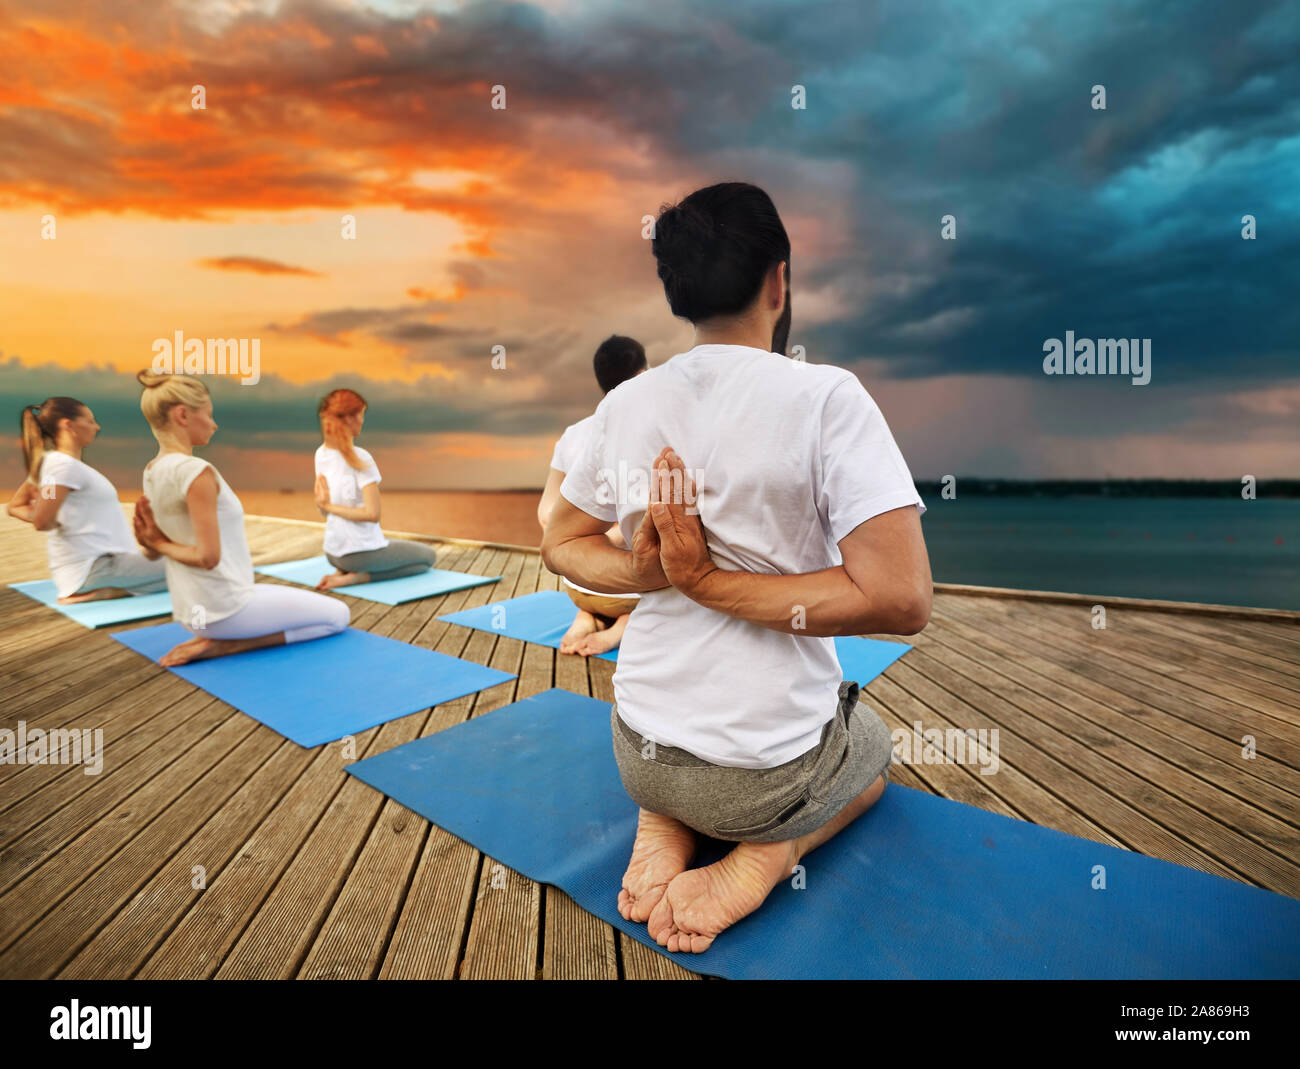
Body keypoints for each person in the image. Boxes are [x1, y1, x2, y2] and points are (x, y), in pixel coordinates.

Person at [541, 182, 932, 953]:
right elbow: (902, 598)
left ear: (676, 291)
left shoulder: (626, 405)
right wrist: (693, 580)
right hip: (765, 780)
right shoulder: (827, 396)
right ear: (778, 280)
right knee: (878, 753)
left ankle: (668, 817)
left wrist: (651, 575)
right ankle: (766, 854)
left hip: (636, 748)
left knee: (682, 765)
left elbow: (560, 542)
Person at [133, 370, 349, 666]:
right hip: (225, 612)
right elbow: (207, 557)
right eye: (208, 415)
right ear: (182, 415)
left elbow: (152, 547)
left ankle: (214, 637)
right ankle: (226, 646)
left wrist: (154, 543)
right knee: (338, 616)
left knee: (277, 595)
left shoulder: (151, 471)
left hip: (190, 614)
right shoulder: (196, 472)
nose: (214, 423)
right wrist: (157, 542)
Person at [538, 336, 648, 656]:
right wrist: (609, 540)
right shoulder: (648, 431)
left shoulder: (573, 434)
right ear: (643, 376)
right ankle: (626, 625)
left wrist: (582, 542)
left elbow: (546, 512)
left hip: (578, 583)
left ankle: (586, 613)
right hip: (628, 589)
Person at [6, 397, 165, 603]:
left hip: (100, 565)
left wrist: (52, 515)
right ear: (68, 425)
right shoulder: (61, 467)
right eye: (90, 421)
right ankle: (112, 591)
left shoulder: (57, 466)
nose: (96, 427)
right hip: (93, 569)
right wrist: (48, 517)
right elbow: (41, 519)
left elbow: (16, 506)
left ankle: (117, 588)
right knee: (193, 568)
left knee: (190, 562)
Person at [312, 388, 439, 590]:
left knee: (389, 544)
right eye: (361, 415)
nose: (363, 421)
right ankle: (354, 578)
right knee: (427, 558)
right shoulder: (361, 458)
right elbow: (372, 514)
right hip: (357, 555)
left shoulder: (321, 454)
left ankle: (341, 571)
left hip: (332, 553)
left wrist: (327, 506)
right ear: (350, 419)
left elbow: (323, 509)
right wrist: (329, 506)